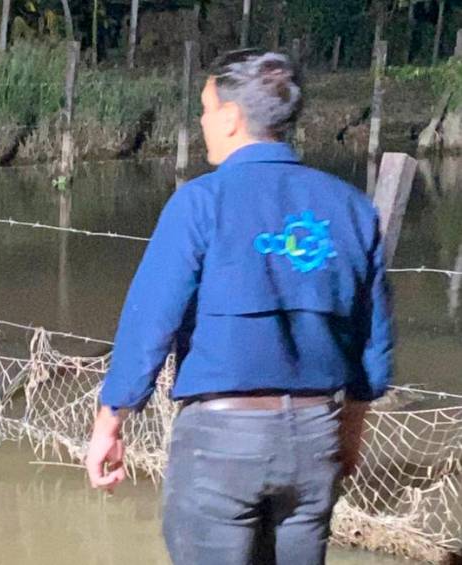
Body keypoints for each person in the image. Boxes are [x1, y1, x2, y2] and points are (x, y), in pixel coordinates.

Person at [85, 49, 393, 565]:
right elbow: (374, 344)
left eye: (205, 110)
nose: (203, 122)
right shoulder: (352, 208)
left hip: (221, 445)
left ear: (230, 117)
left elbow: (149, 325)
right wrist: (348, 432)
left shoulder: (200, 202)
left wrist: (110, 422)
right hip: (316, 438)